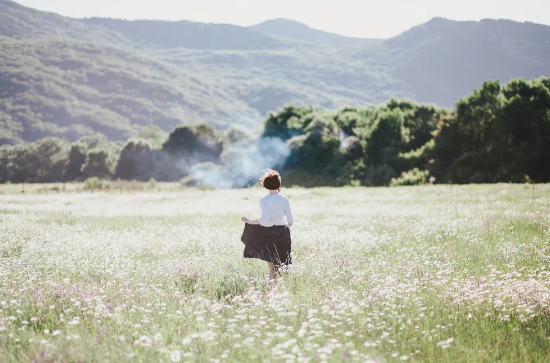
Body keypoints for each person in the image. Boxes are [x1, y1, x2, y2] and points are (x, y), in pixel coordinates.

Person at [241, 169, 294, 281]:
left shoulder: (264, 200)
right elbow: (290, 221)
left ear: (265, 185)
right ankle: (278, 287)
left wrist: (249, 221)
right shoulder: (285, 199)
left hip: (269, 234)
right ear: (279, 184)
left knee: (271, 264)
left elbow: (265, 219)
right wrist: (285, 227)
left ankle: (272, 288)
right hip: (283, 233)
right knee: (282, 263)